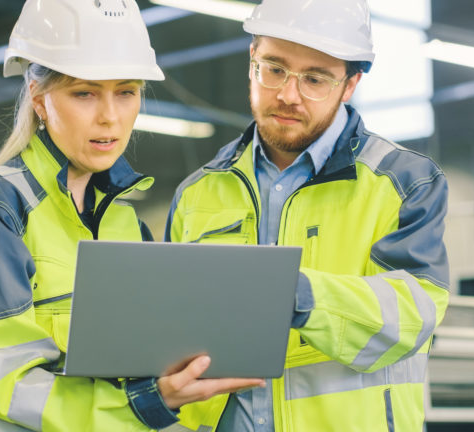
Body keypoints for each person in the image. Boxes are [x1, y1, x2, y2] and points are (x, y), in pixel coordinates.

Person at [0, 0, 263, 430]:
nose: (109, 117)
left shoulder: (125, 225)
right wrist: (144, 404)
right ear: (39, 98)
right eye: (85, 93)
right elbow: (7, 383)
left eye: (126, 92)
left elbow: (143, 369)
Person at [164, 0, 450, 431]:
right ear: (251, 59)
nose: (287, 95)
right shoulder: (197, 193)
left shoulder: (405, 182)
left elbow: (412, 318)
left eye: (314, 79)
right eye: (274, 68)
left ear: (350, 85)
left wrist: (292, 293)